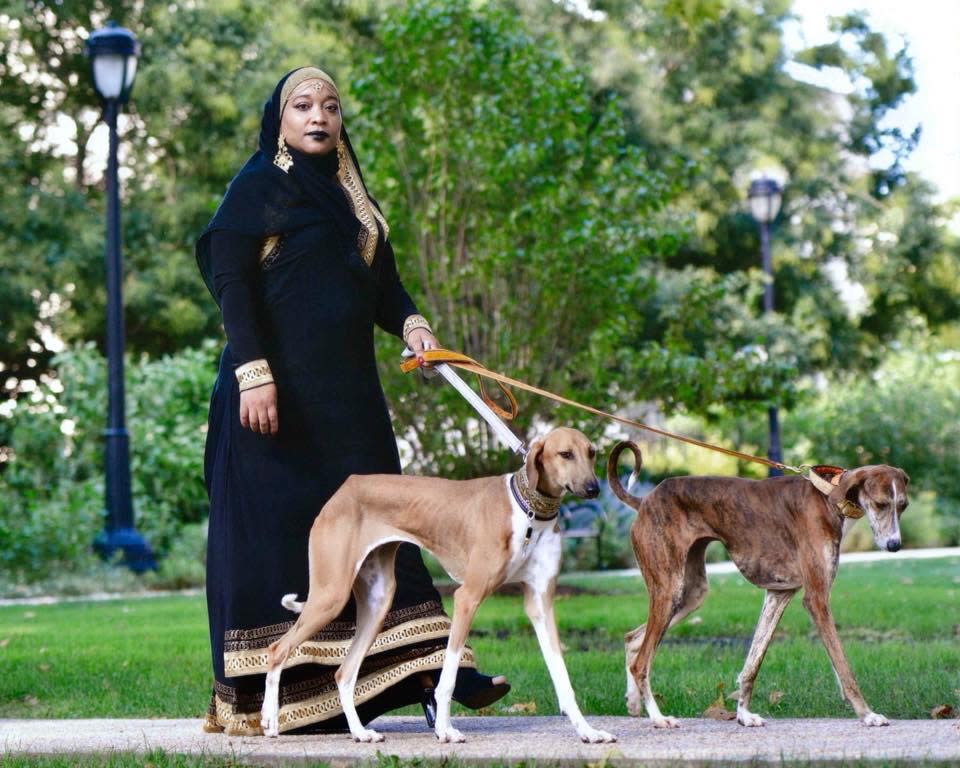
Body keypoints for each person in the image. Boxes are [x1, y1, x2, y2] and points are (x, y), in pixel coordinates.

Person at [195, 66, 508, 735]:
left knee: (395, 535)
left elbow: (383, 287)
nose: (319, 116)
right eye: (303, 105)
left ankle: (435, 673)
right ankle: (279, 695)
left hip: (349, 407)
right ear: (279, 119)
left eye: (330, 107)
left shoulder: (353, 200)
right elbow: (230, 280)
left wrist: (415, 324)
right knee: (281, 543)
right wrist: (253, 370)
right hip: (270, 407)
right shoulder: (258, 188)